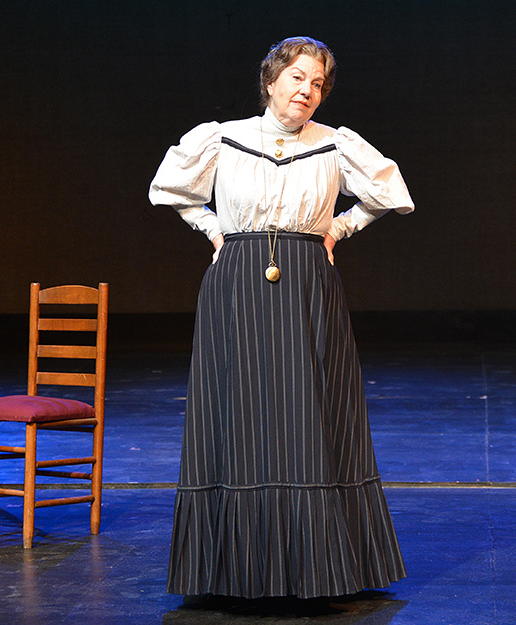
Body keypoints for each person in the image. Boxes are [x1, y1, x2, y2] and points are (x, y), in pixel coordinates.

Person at [148, 36, 413, 601]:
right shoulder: (227, 138)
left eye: (317, 83)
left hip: (307, 282)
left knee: (310, 412)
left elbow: (388, 192)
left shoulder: (334, 145)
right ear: (271, 81)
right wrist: (213, 227)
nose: (307, 91)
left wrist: (338, 230)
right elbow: (169, 189)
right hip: (238, 281)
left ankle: (323, 568)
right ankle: (232, 572)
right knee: (239, 415)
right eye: (298, 77)